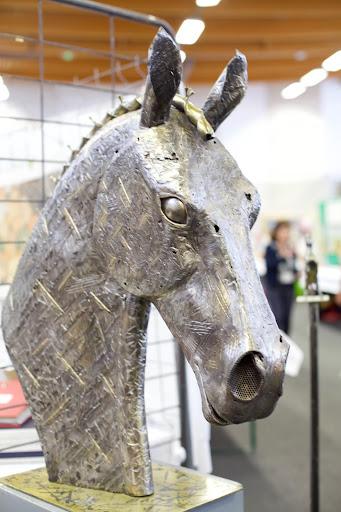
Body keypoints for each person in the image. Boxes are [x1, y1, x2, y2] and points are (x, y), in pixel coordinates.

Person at [264, 221, 298, 334]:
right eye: (282, 231)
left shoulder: (290, 247)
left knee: (287, 317)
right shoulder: (271, 248)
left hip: (289, 286)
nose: (285, 234)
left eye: (287, 231)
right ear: (276, 232)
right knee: (279, 316)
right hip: (275, 287)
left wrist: (296, 272)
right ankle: (279, 342)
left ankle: (288, 343)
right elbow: (270, 265)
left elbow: (293, 265)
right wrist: (281, 257)